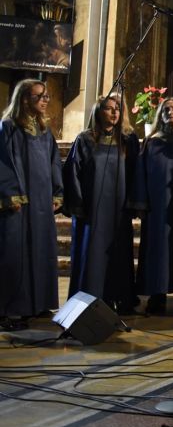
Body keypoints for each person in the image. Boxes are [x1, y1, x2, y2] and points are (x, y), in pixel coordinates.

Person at [62, 94, 140, 314]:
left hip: (119, 209)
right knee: (91, 254)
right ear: (98, 112)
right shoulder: (85, 139)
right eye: (108, 108)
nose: (114, 112)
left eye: (118, 108)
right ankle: (88, 299)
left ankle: (119, 298)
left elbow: (135, 173)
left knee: (118, 254)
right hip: (92, 209)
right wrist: (78, 204)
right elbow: (73, 172)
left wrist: (134, 202)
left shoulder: (127, 140)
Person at [0, 80, 62, 329]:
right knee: (15, 255)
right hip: (19, 202)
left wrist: (57, 192)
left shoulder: (44, 130)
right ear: (24, 99)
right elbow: (2, 162)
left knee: (40, 251)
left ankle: (38, 303)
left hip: (41, 201)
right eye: (40, 96)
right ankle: (11, 308)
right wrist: (11, 194)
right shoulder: (8, 127)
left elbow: (54, 162)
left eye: (46, 96)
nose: (45, 100)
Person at [131, 97, 173, 314]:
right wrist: (141, 202)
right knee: (157, 251)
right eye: (166, 109)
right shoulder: (152, 142)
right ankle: (157, 294)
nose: (170, 112)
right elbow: (140, 173)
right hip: (158, 207)